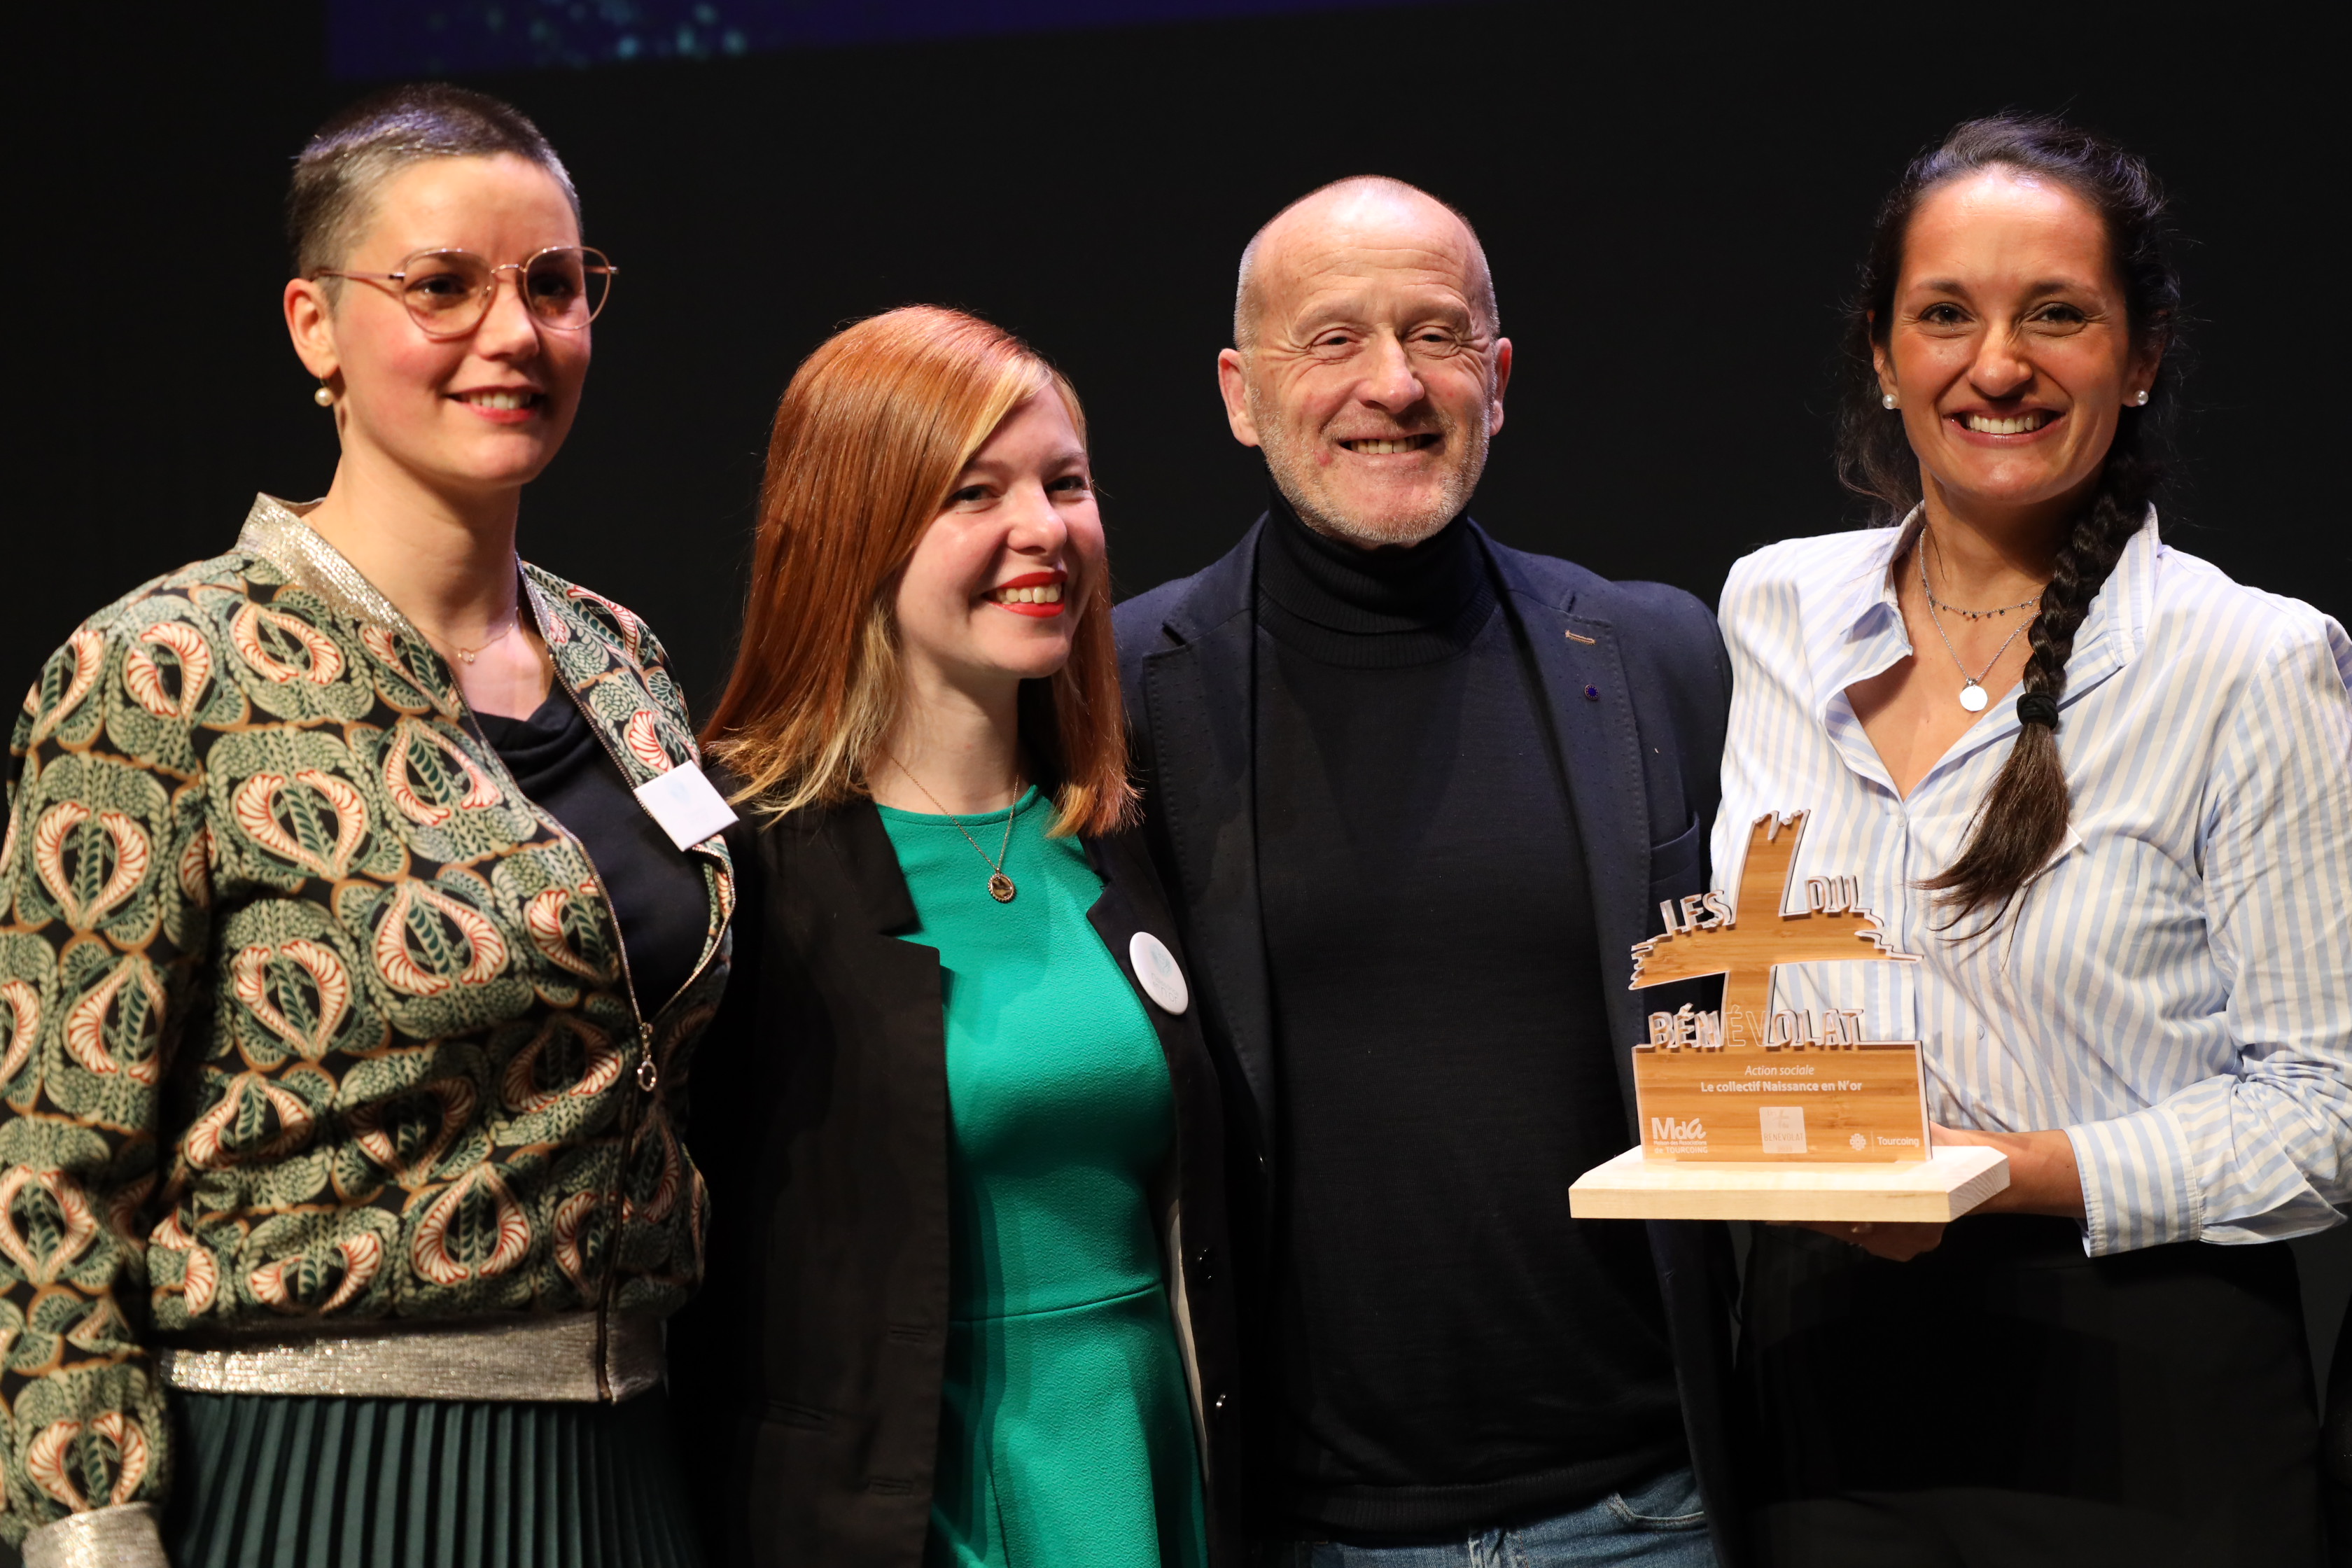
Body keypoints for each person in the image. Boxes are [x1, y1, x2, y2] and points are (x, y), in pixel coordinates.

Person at [0, 84, 733, 1567]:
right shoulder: (161, 672)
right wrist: (90, 1537)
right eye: (442, 287)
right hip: (317, 1479)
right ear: (315, 326)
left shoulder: (624, 662)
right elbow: (51, 1184)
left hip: (626, 1476)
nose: (514, 333)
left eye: (553, 285)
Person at [1717, 115, 2352, 1567]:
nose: (1995, 365)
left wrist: (2001, 1169)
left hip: (2141, 1415)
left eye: (2056, 314)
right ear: (1884, 355)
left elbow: (2330, 1112)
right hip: (1822, 1398)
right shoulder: (1772, 611)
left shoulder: (2250, 661)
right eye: (1946, 314)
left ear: (2142, 355)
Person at [1113, 177, 1739, 1566]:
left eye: (1437, 335)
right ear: (1241, 393)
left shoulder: (1659, 656)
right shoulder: (1123, 693)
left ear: (1497, 380)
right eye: (1333, 338)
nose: (1393, 384)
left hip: (1652, 1512)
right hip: (1307, 1532)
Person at [668, 305, 1241, 1567]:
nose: (1043, 528)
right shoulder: (743, 865)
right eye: (973, 493)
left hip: (1147, 1471)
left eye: (1066, 484)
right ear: (855, 530)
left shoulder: (1125, 831)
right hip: (907, 1517)